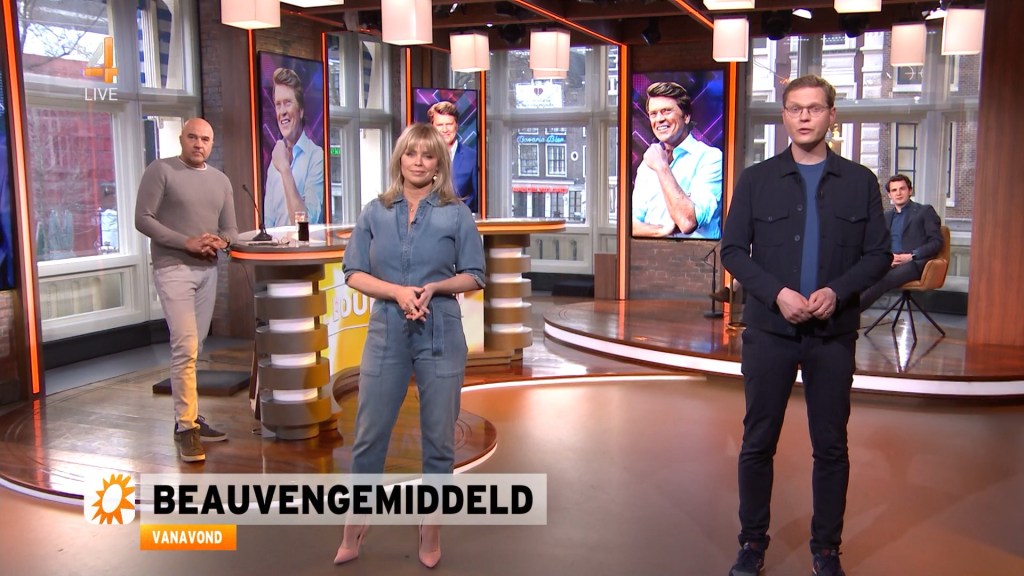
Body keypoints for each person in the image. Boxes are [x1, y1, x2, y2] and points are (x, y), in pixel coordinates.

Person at [720, 75, 891, 576]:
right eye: (795, 108)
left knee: (831, 447)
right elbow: (733, 250)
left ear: (831, 116)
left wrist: (837, 292)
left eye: (814, 108)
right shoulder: (756, 180)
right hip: (769, 333)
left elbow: (879, 255)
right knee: (758, 443)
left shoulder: (860, 181)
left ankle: (826, 550)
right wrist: (777, 293)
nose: (804, 117)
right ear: (784, 117)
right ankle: (752, 544)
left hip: (832, 336)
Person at [334, 123, 485, 568]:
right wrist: (396, 292)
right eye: (411, 153)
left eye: (428, 155)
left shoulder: (456, 214)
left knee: (438, 438)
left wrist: (435, 287)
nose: (418, 162)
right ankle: (356, 523)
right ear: (399, 159)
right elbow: (353, 271)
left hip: (441, 331)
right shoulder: (375, 212)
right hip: (387, 331)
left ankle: (430, 526)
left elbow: (475, 274)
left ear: (439, 163)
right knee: (370, 435)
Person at [135, 118, 238, 463]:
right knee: (186, 346)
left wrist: (220, 241)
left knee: (196, 347)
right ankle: (186, 427)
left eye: (205, 139)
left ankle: (190, 415)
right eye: (193, 137)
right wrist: (187, 242)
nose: (199, 144)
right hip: (173, 268)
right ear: (182, 138)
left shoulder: (220, 180)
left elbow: (231, 229)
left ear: (211, 143)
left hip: (208, 270)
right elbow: (143, 218)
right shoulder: (161, 170)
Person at [631, 81, 723, 239]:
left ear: (686, 117)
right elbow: (630, 225)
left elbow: (688, 222)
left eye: (666, 111)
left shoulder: (710, 159)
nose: (659, 119)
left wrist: (661, 167)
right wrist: (662, 231)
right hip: (650, 253)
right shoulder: (646, 166)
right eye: (653, 114)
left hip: (697, 254)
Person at [859, 174, 943, 311]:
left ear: (910, 191)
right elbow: (878, 244)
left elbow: (936, 242)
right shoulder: (886, 217)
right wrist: (887, 258)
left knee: (882, 280)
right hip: (890, 262)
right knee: (860, 276)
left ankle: (850, 316)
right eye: (894, 190)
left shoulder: (925, 211)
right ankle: (840, 313)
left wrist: (911, 256)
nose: (898, 193)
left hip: (913, 263)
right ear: (889, 195)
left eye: (902, 189)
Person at [263, 67, 325, 227]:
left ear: (301, 111)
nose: (282, 111)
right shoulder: (274, 162)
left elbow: (305, 224)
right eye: (278, 105)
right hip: (278, 244)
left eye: (287, 103)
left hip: (304, 244)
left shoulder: (316, 156)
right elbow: (268, 223)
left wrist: (285, 169)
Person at [427, 100, 478, 213]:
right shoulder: (422, 157)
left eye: (449, 124)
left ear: (456, 126)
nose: (445, 130)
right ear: (432, 128)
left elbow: (476, 200)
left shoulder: (472, 158)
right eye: (440, 125)